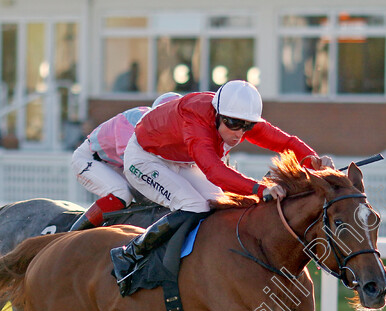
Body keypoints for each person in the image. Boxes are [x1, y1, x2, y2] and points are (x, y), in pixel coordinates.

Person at [111, 80, 332, 293]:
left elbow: (286, 143)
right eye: (233, 124)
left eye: (247, 126)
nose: (239, 133)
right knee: (194, 205)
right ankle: (130, 254)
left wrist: (313, 160)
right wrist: (259, 189)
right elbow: (215, 172)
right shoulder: (196, 121)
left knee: (217, 205)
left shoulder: (235, 116)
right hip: (145, 158)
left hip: (181, 158)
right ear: (216, 115)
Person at [68, 92, 183, 231]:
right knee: (122, 194)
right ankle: (71, 234)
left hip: (117, 163)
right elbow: (134, 163)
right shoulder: (132, 123)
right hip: (90, 159)